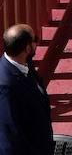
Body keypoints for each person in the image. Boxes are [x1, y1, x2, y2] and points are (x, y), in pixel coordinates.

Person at [0, 22, 53, 155]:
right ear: (28, 48)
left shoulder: (24, 63)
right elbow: (10, 135)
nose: (37, 43)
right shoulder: (6, 86)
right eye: (35, 40)